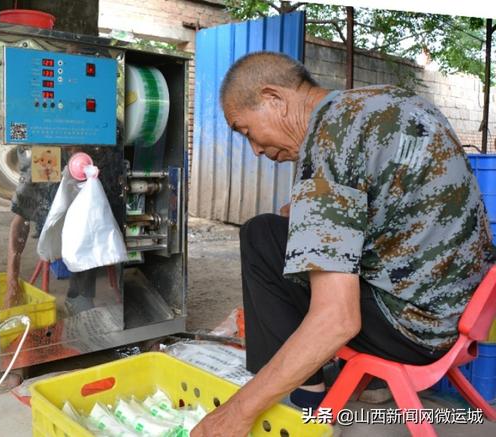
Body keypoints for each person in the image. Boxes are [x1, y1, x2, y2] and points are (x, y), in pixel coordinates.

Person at [191, 52, 495, 436]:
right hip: (467, 311)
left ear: (274, 99)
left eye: (246, 131)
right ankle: (366, 382)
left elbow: (337, 320)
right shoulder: (388, 101)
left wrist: (236, 413)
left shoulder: (328, 145)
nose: (255, 150)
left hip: (414, 332)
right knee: (281, 229)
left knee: (260, 235)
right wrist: (306, 216)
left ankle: (305, 403)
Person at [5, 146, 97, 314]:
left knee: (91, 225)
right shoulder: (45, 154)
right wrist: (12, 282)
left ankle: (80, 298)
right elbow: (19, 220)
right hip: (51, 220)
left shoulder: (93, 154)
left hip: (85, 150)